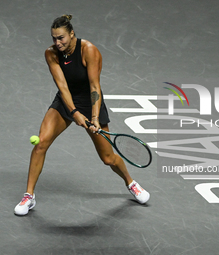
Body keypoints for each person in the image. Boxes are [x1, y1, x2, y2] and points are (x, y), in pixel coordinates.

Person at [14, 14, 150, 216]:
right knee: (41, 143)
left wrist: (94, 118)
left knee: (108, 158)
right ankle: (29, 196)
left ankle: (131, 183)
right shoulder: (51, 54)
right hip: (66, 100)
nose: (57, 42)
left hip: (91, 101)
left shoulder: (89, 50)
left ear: (72, 34)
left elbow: (95, 86)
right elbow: (62, 87)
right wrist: (74, 112)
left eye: (61, 38)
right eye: (54, 38)